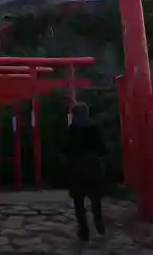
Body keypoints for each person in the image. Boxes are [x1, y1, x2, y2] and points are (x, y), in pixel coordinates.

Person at [63, 102, 106, 242]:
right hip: (93, 165)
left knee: (78, 201)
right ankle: (98, 221)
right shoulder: (94, 127)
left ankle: (84, 230)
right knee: (95, 198)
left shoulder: (71, 129)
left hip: (76, 168)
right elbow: (102, 148)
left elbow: (66, 149)